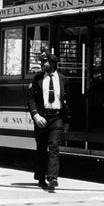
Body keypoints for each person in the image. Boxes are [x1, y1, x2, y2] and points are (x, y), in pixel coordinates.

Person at [27, 52, 70, 188]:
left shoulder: (63, 79)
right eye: (41, 62)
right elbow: (30, 99)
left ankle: (52, 177)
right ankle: (40, 177)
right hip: (42, 117)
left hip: (57, 117)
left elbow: (68, 101)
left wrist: (67, 121)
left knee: (54, 147)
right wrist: (36, 115)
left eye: (44, 62)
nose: (41, 64)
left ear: (52, 63)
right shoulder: (37, 79)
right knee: (41, 148)